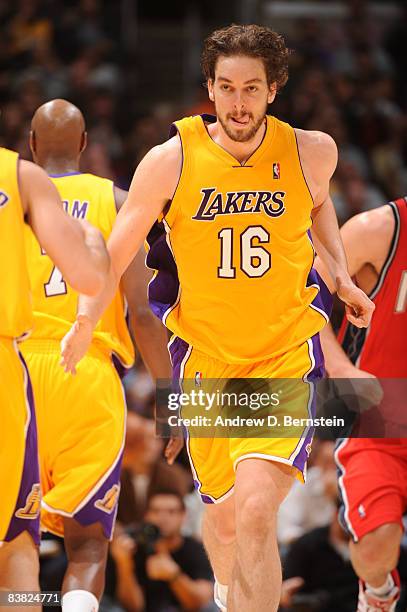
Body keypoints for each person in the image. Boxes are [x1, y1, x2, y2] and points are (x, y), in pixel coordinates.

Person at [60, 25, 374, 611]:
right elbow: (118, 248)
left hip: (282, 353)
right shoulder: (170, 160)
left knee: (257, 511)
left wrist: (339, 276)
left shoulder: (313, 151)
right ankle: (230, 598)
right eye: (226, 87)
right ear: (210, 86)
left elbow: (318, 205)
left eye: (251, 88)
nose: (237, 102)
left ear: (273, 90)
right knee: (226, 522)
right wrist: (85, 316)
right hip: (204, 360)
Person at [20, 98, 171, 612]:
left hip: (13, 374)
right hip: (87, 374)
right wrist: (169, 403)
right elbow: (143, 316)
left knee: (12, 543)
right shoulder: (118, 201)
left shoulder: (7, 200)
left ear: (31, 145)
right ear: (85, 145)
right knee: (86, 546)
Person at [0, 144, 109, 609]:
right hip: (56, 363)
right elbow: (88, 278)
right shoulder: (18, 176)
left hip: (31, 358)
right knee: (17, 542)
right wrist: (90, 241)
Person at [315, 198, 407, 611]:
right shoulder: (378, 230)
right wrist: (338, 368)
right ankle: (378, 593)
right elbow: (298, 297)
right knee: (374, 548)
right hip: (382, 414)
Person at [110, 490, 213, 612]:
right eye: (156, 511)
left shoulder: (197, 549)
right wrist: (124, 565)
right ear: (146, 515)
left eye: (171, 511)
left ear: (183, 515)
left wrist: (174, 576)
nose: (163, 518)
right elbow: (132, 607)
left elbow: (200, 602)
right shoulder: (130, 548)